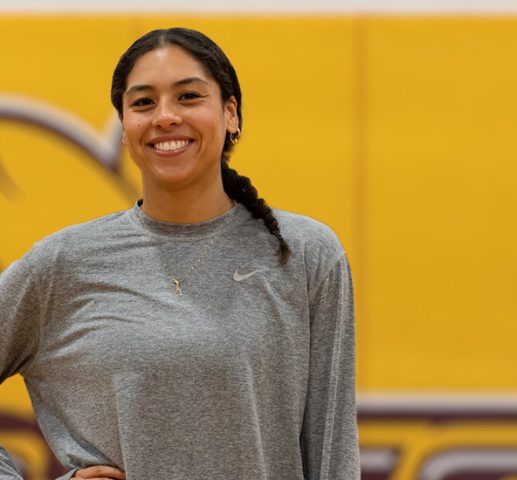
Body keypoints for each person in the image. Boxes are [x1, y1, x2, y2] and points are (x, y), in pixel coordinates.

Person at [0, 27, 360, 480]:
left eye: (188, 97)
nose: (165, 117)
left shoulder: (304, 253)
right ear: (125, 126)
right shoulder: (63, 265)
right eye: (143, 102)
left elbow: (333, 452)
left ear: (231, 114)